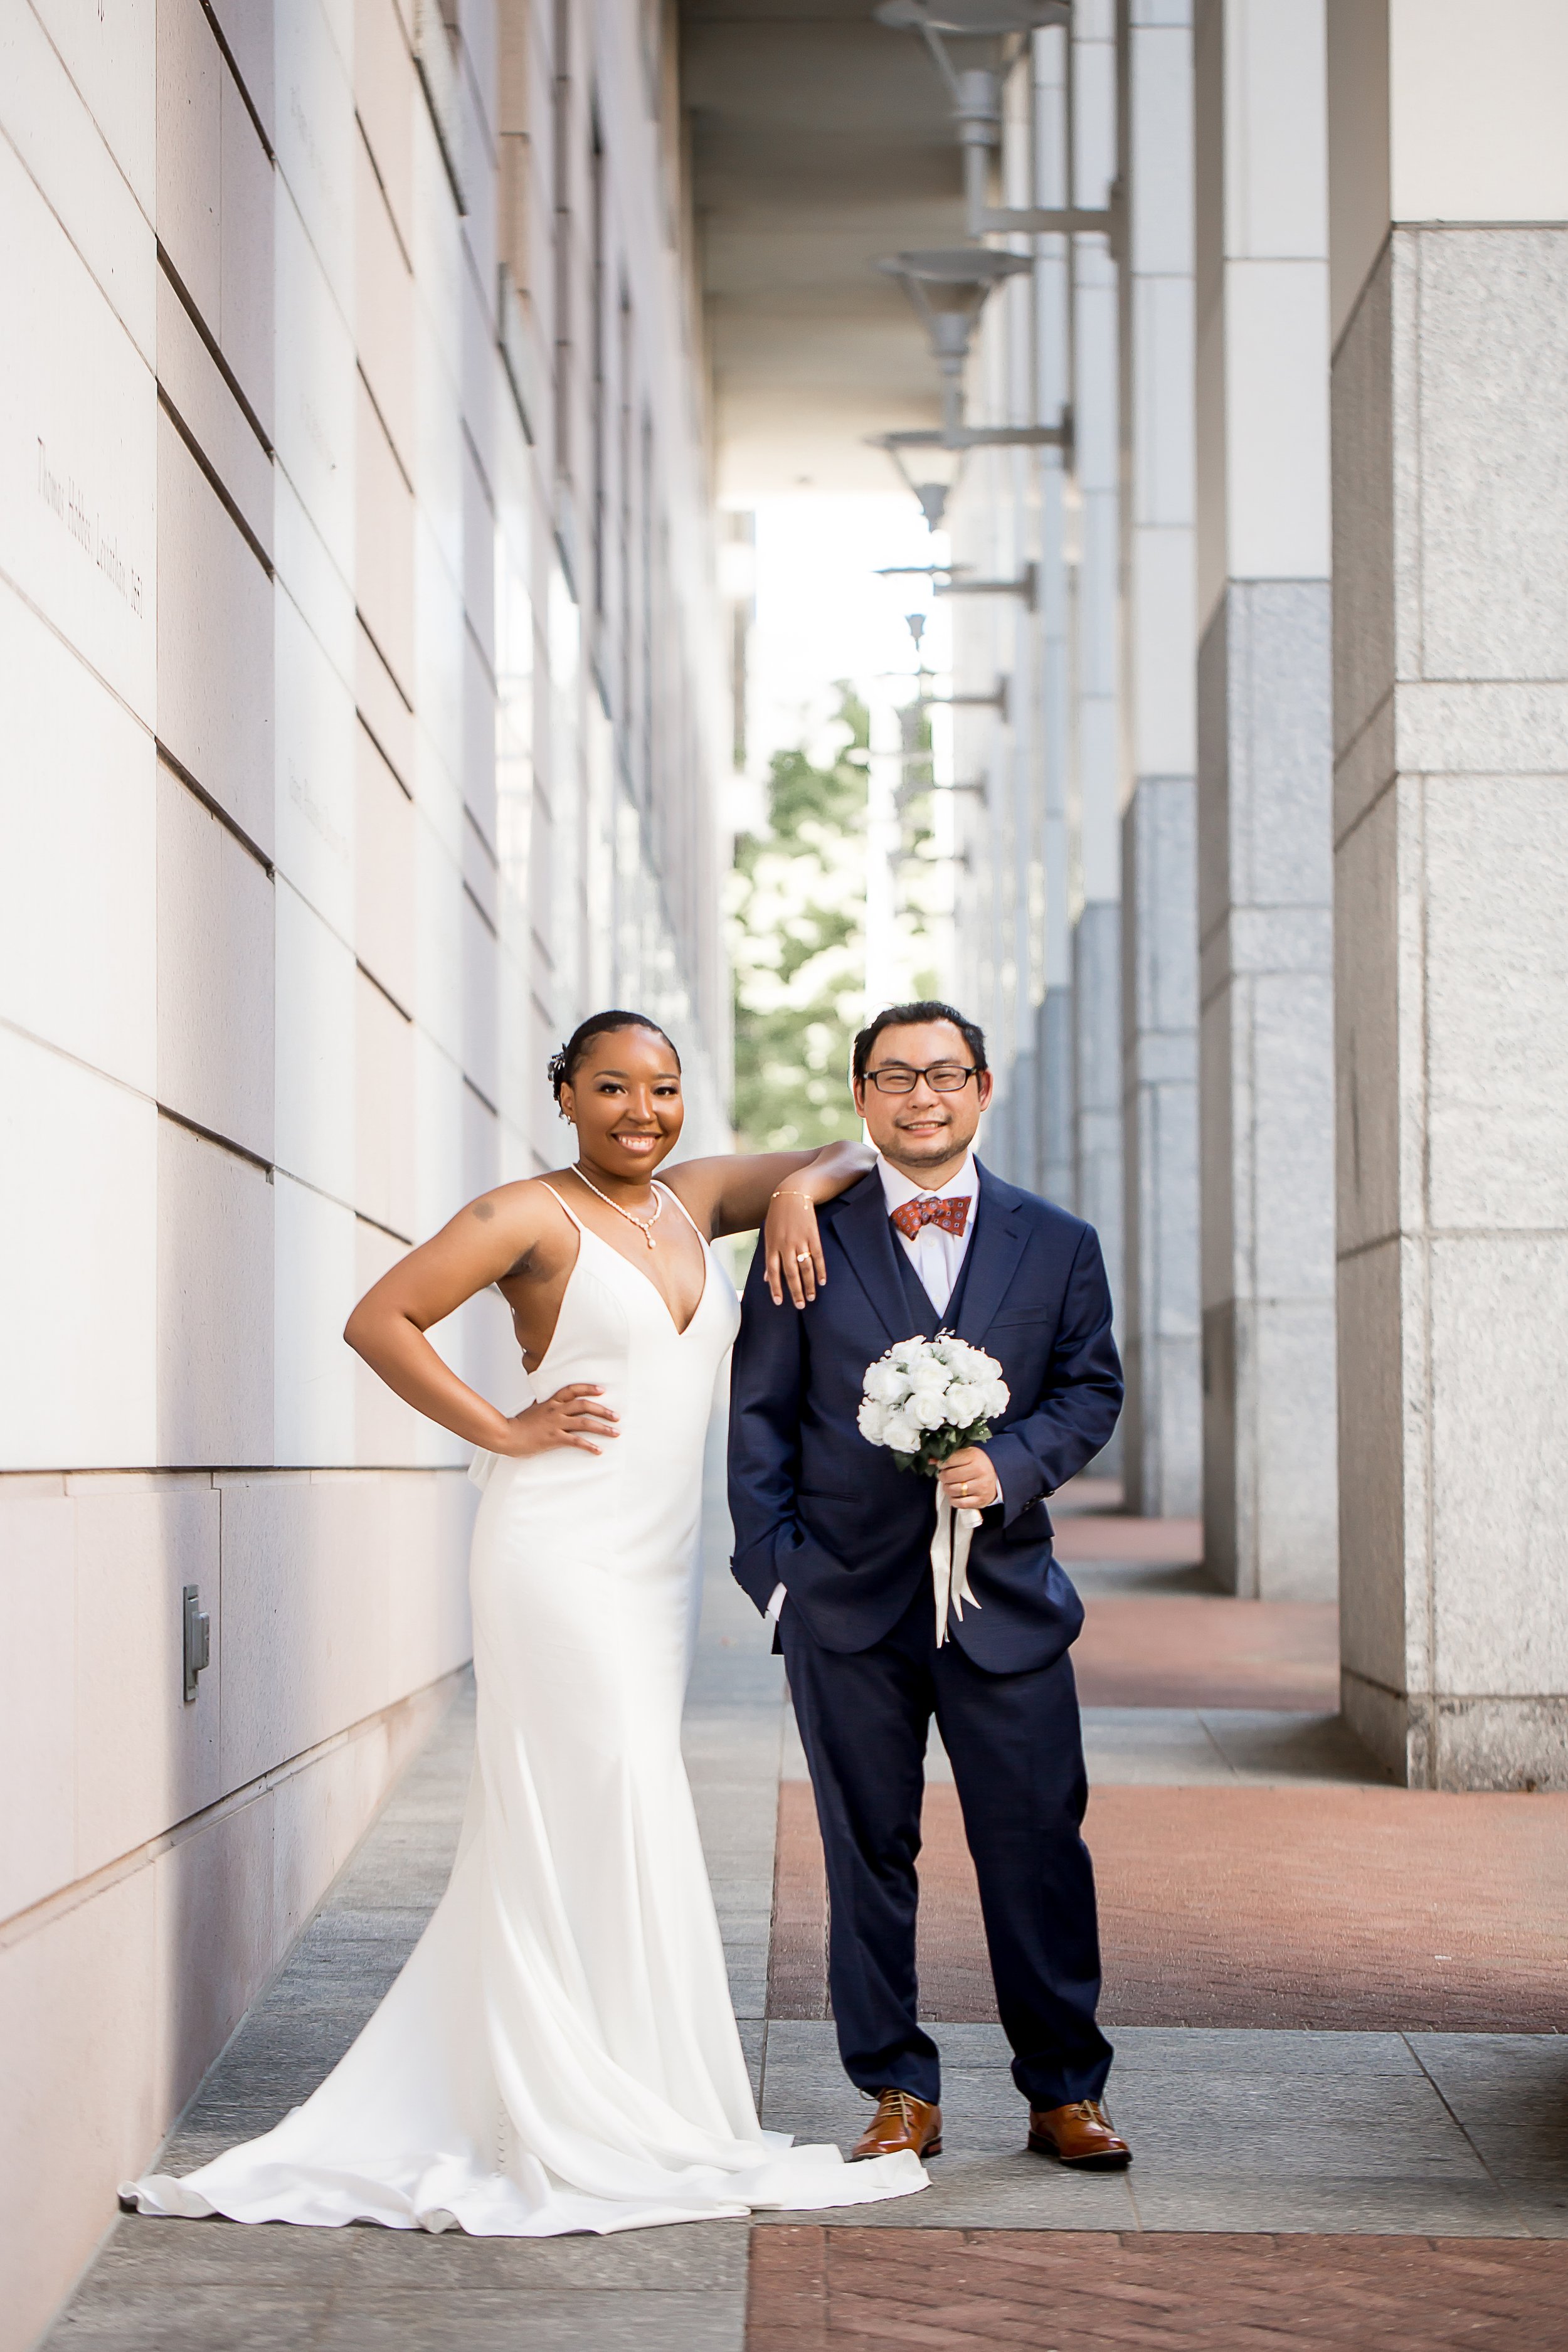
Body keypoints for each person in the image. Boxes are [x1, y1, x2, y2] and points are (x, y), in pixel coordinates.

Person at [122, 1010, 926, 2235]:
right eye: (612, 1090)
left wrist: (802, 1193)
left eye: (660, 1091)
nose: (641, 1114)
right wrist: (502, 1430)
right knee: (609, 1794)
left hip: (649, 1569)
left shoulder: (693, 1197)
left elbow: (856, 1149)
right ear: (566, 1096)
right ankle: (578, 2100)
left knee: (601, 1809)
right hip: (553, 1552)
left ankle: (612, 2078)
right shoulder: (523, 1216)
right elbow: (378, 1319)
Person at [728, 999, 1131, 2170]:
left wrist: (1008, 1464)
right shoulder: (809, 1232)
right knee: (867, 1850)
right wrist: (779, 1577)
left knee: (1038, 1845)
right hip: (845, 1603)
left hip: (1005, 1601)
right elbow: (759, 1412)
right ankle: (897, 2086)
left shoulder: (1058, 1242)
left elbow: (1089, 1391)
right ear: (861, 1098)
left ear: (983, 1089)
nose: (923, 1096)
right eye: (896, 1076)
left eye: (945, 1074)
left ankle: (1065, 2088)